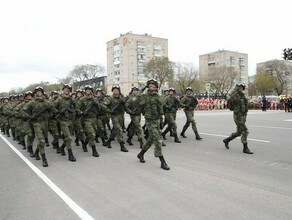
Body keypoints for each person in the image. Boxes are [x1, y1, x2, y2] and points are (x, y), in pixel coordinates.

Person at [137, 79, 170, 170]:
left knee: (151, 139)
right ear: (148, 87)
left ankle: (141, 154)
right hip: (150, 121)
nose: (152, 87)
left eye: (154, 85)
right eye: (150, 85)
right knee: (158, 140)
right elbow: (137, 98)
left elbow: (161, 109)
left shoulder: (158, 97)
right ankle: (162, 162)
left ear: (156, 87)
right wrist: (142, 89)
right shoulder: (144, 96)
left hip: (157, 120)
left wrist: (162, 121)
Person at [223, 82, 253, 154]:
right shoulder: (234, 95)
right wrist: (234, 91)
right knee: (245, 131)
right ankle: (245, 148)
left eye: (242, 87)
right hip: (237, 116)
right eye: (239, 87)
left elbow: (246, 106)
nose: (240, 89)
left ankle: (227, 140)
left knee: (239, 132)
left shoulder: (243, 96)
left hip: (243, 116)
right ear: (237, 87)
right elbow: (229, 101)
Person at [53, 84, 76, 162]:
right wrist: (59, 111)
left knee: (68, 137)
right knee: (69, 137)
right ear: (63, 90)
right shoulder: (59, 99)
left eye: (68, 89)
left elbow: (76, 107)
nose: (66, 90)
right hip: (63, 121)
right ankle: (70, 154)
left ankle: (62, 147)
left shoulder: (71, 100)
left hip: (71, 120)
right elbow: (52, 107)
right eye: (65, 89)